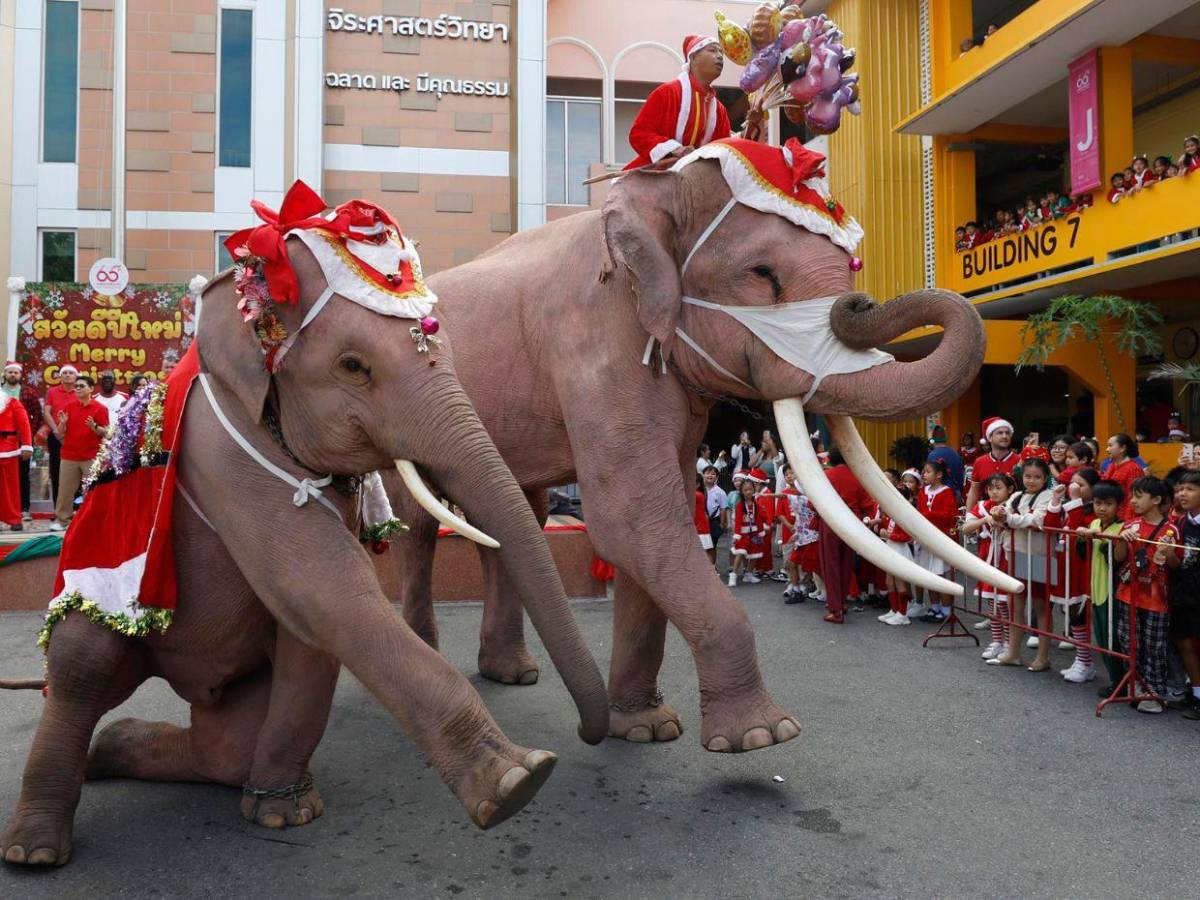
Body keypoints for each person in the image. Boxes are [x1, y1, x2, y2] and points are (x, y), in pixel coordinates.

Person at [1112, 476, 1179, 712]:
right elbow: (1119, 557)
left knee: (1154, 645)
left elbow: (1175, 565)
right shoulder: (1130, 525)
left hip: (1156, 598)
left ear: (1157, 499)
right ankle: (1136, 686)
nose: (1133, 500)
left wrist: (1169, 553)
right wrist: (1122, 540)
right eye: (1133, 496)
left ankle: (1155, 693)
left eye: (1139, 496)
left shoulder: (1171, 529)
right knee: (1128, 640)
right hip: (1127, 593)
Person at [625, 35, 740, 170]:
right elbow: (639, 134)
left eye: (721, 52)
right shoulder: (667, 93)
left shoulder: (719, 110)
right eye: (712, 50)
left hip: (697, 176)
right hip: (655, 173)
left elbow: (723, 149)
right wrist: (675, 149)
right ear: (693, 58)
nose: (720, 56)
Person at [989, 458, 1054, 671]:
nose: (1031, 480)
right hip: (1014, 555)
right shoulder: (1016, 496)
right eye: (1027, 476)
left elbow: (1037, 520)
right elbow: (1003, 515)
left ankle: (1043, 657)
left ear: (1045, 478)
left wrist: (1007, 518)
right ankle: (1013, 652)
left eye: (1037, 477)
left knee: (1041, 608)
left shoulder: (1049, 496)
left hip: (1039, 556)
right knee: (1015, 606)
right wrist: (998, 514)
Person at [1046, 467, 1101, 683]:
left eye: (1081, 485)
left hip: (1084, 569)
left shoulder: (1095, 511)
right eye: (1072, 483)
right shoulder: (1069, 506)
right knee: (1072, 614)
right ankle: (1082, 660)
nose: (1074, 488)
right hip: (1067, 567)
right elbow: (1050, 527)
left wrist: (1075, 500)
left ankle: (1085, 662)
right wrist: (1055, 500)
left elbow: (1078, 528)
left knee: (1080, 614)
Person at [1159, 471, 1200, 719]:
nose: (1182, 494)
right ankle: (1196, 693)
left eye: (1190, 489)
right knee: (1185, 642)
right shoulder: (1181, 522)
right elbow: (1177, 563)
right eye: (1180, 489)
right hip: (1184, 592)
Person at [1079, 482, 1127, 691]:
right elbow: (1083, 554)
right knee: (1101, 637)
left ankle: (1120, 682)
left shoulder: (1123, 528)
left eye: (1108, 504)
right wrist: (1083, 538)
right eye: (1098, 503)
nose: (1102, 508)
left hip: (1113, 590)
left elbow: (1117, 561)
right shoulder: (1094, 523)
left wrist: (1102, 541)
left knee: (1113, 638)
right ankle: (1115, 680)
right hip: (1096, 587)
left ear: (1118, 506)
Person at [964, 473, 1015, 660]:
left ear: (1010, 489)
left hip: (1007, 560)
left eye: (998, 488)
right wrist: (984, 520)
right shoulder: (982, 506)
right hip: (988, 559)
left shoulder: (1014, 506)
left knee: (1005, 604)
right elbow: (966, 528)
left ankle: (1009, 644)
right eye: (990, 488)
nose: (994, 492)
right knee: (992, 603)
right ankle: (997, 641)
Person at [818, 448, 872, 624]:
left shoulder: (827, 476)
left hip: (831, 522)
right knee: (846, 564)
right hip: (851, 523)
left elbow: (816, 501)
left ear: (831, 459)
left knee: (831, 565)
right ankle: (841, 602)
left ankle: (836, 609)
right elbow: (867, 503)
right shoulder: (857, 476)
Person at [49, 374, 109, 530]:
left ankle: (93, 520)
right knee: (65, 490)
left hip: (91, 456)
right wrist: (63, 423)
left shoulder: (100, 408)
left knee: (93, 491)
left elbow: (106, 433)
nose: (78, 389)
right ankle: (62, 520)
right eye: (76, 386)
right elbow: (60, 433)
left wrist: (94, 427)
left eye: (81, 386)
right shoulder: (69, 407)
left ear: (91, 389)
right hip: (69, 456)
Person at [915, 458, 957, 623]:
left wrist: (927, 515)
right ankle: (935, 607)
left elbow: (948, 515)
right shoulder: (923, 491)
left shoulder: (946, 492)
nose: (924, 475)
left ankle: (946, 610)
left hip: (940, 538)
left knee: (939, 575)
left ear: (939, 474)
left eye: (928, 472)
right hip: (925, 538)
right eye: (923, 472)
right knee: (929, 574)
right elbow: (919, 510)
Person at [877, 480, 917, 626]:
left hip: (899, 550)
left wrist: (890, 536)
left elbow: (907, 536)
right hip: (891, 548)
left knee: (900, 582)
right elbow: (885, 525)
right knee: (890, 581)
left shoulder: (904, 515)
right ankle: (894, 610)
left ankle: (903, 614)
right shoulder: (891, 514)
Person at [41, 364, 78, 504]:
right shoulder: (52, 391)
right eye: (65, 373)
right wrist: (56, 431)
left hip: (75, 437)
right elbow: (46, 412)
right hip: (55, 435)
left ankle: (76, 506)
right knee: (56, 470)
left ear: (76, 376)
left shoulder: (80, 391)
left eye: (71, 373)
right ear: (61, 376)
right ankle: (58, 507)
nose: (68, 375)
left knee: (76, 470)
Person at [0, 376, 33, 532]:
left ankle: (14, 518)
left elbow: (24, 424)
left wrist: (27, 445)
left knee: (11, 487)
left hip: (9, 450)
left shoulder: (13, 403)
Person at [966, 416, 1019, 510]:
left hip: (1014, 514)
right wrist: (969, 515)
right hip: (985, 514)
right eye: (1000, 433)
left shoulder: (1019, 460)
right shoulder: (980, 462)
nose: (1004, 436)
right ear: (990, 438)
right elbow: (974, 492)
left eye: (1007, 433)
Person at [728, 471, 768, 587]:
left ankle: (749, 575)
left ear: (754, 490)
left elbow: (759, 519)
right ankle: (733, 575)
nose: (748, 492)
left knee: (755, 554)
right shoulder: (740, 505)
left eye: (750, 489)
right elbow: (738, 522)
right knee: (740, 553)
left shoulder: (756, 504)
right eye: (745, 490)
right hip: (742, 534)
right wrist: (736, 536)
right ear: (742, 491)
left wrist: (761, 532)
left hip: (754, 533)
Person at [1101, 433, 1144, 520]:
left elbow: (1132, 498)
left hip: (1123, 517)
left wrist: (1127, 521)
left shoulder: (1133, 468)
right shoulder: (1112, 465)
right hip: (1110, 515)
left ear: (1123, 448)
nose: (1107, 449)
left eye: (1110, 446)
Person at [926, 424, 964, 499]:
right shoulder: (955, 453)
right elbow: (960, 476)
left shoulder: (932, 455)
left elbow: (929, 477)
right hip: (954, 492)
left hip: (937, 493)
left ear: (932, 440)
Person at [702, 465, 726, 559]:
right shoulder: (698, 489)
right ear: (703, 475)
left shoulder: (720, 492)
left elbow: (723, 508)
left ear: (717, 477)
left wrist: (722, 523)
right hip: (700, 521)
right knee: (701, 546)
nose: (710, 475)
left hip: (713, 522)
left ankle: (712, 565)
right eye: (707, 473)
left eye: (713, 474)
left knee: (712, 546)